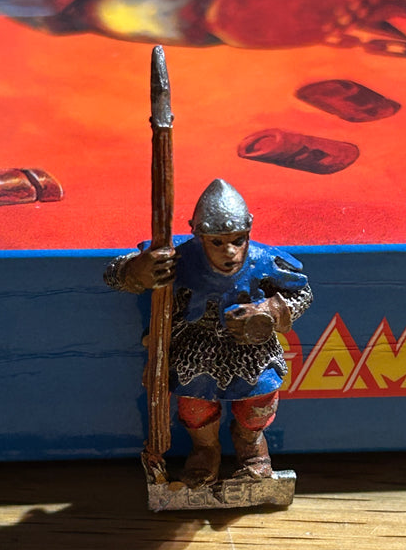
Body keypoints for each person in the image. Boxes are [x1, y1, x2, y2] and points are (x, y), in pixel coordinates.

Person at [105, 179, 312, 488]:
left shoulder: (265, 261)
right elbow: (113, 273)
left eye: (238, 240)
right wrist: (137, 270)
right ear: (199, 235)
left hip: (251, 350)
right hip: (196, 348)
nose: (229, 251)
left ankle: (252, 450)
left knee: (258, 403)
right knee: (195, 407)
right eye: (217, 242)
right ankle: (205, 451)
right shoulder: (178, 257)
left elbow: (302, 293)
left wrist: (269, 310)